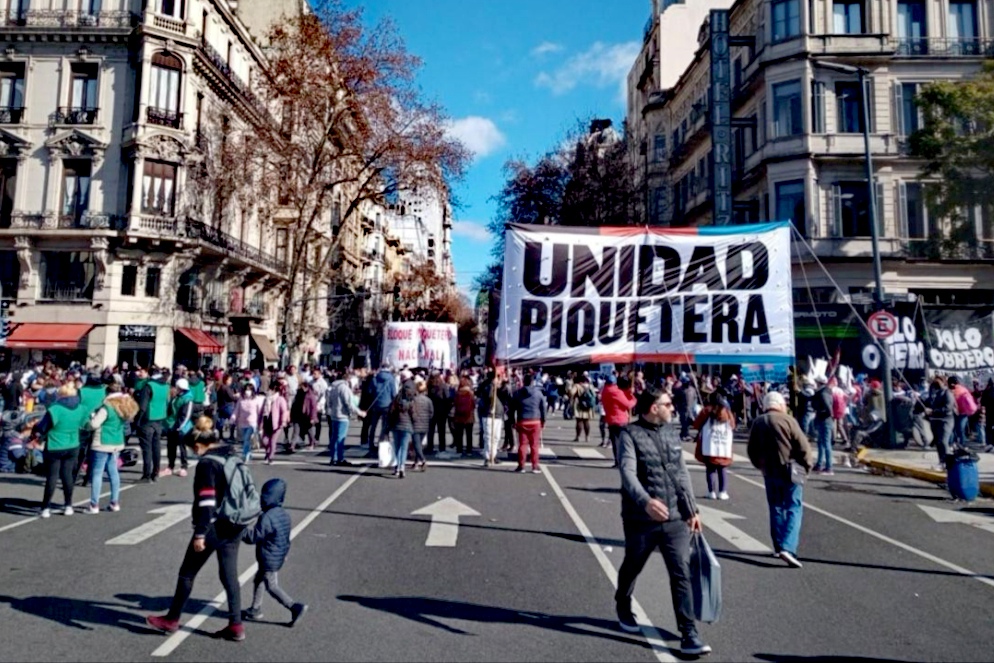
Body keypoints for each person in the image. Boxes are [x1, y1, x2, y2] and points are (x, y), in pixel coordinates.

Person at [615, 386, 709, 656]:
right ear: (653, 408)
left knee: (681, 572)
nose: (672, 408)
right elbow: (627, 472)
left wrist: (692, 509)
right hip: (641, 518)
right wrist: (645, 501)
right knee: (633, 564)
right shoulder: (629, 434)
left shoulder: (671, 432)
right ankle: (623, 601)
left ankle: (689, 632)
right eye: (667, 404)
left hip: (675, 517)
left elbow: (681, 473)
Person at [147, 418, 248, 641]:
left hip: (213, 525)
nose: (194, 453)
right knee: (229, 575)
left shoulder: (207, 464)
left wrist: (200, 532)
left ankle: (172, 619)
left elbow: (207, 501)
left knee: (187, 573)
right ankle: (236, 624)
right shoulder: (232, 456)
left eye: (193, 449)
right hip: (235, 522)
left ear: (198, 445)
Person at [747, 391, 812, 569]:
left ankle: (778, 546)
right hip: (791, 469)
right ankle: (788, 547)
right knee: (793, 507)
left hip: (769, 470)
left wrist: (760, 465)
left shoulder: (758, 422)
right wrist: (807, 467)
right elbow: (803, 446)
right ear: (781, 405)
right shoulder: (788, 420)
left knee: (775, 507)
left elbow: (752, 449)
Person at [241, 478, 307, 626]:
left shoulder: (267, 517)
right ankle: (255, 609)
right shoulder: (283, 514)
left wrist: (240, 531)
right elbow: (285, 537)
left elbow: (253, 537)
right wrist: (284, 554)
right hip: (278, 554)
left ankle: (294, 607)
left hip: (268, 558)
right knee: (259, 579)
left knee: (271, 586)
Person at [33, 384, 89, 518]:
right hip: (73, 444)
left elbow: (42, 427)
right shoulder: (82, 408)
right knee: (67, 475)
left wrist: (36, 427)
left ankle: (46, 507)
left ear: (61, 395)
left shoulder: (55, 409)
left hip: (55, 444)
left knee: (52, 476)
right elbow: (85, 424)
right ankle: (68, 505)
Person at [85, 383, 139, 513]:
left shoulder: (107, 407)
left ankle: (94, 504)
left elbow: (94, 424)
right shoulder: (124, 406)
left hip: (102, 442)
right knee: (113, 472)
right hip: (117, 442)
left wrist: (89, 421)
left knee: (97, 473)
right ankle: (114, 502)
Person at [693, 393, 736, 500]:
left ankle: (711, 492)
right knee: (722, 468)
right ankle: (722, 492)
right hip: (723, 444)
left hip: (709, 444)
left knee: (710, 468)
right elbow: (733, 425)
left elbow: (696, 424)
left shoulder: (706, 411)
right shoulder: (727, 412)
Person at [135, 368, 170, 483]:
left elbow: (142, 406)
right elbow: (167, 402)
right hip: (159, 418)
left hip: (147, 419)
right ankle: (155, 473)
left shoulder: (148, 386)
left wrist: (137, 420)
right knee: (156, 447)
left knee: (147, 448)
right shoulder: (166, 385)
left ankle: (146, 475)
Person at [511, 373, 546, 474]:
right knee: (534, 445)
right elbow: (543, 408)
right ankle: (535, 466)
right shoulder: (538, 393)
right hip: (535, 420)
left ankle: (521, 466)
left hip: (522, 420)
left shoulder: (518, 393)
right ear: (532, 382)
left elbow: (512, 408)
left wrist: (513, 421)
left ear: (523, 381)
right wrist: (543, 421)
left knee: (522, 444)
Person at [361, 365, 397, 458]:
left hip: (376, 404)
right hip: (387, 405)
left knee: (373, 426)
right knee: (384, 426)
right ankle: (382, 443)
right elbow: (394, 393)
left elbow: (369, 391)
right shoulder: (391, 379)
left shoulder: (375, 378)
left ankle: (371, 444)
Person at [326, 371, 360, 467]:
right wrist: (358, 412)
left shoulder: (332, 387)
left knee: (334, 437)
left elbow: (329, 402)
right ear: (347, 379)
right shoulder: (344, 388)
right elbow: (348, 403)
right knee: (340, 438)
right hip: (342, 416)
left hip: (334, 415)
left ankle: (334, 457)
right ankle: (339, 458)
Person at [162, 378, 194, 478]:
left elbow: (186, 415)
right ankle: (170, 466)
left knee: (182, 447)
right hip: (172, 425)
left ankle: (184, 466)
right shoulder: (176, 397)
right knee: (171, 447)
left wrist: (180, 427)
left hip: (182, 427)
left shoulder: (188, 399)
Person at [601, 375, 637, 464]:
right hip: (620, 419)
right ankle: (622, 460)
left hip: (611, 418)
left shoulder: (605, 390)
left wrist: (627, 392)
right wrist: (633, 398)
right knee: (623, 442)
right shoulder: (616, 392)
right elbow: (628, 404)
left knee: (615, 442)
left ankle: (617, 461)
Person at [477, 372, 509, 467]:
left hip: (498, 416)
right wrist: (492, 385)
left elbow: (505, 394)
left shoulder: (499, 388)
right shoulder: (486, 386)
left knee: (496, 437)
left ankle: (493, 455)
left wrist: (504, 383)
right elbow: (489, 396)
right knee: (488, 437)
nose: (499, 381)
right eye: (498, 378)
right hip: (489, 415)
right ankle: (487, 457)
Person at [925, 376, 957, 471]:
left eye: (938, 381)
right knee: (939, 443)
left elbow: (948, 408)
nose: (936, 383)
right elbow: (928, 402)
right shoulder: (934, 393)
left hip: (945, 420)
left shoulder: (947, 393)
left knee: (943, 442)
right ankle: (942, 462)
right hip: (935, 420)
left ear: (943, 382)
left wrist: (933, 411)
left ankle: (947, 463)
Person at [390, 380, 417, 479]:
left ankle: (397, 467)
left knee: (397, 447)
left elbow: (391, 412)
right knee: (404, 448)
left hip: (396, 425)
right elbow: (414, 416)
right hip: (407, 426)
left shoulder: (396, 400)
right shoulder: (411, 401)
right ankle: (402, 467)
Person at [232, 383, 264, 463]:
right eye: (246, 389)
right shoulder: (241, 399)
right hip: (242, 423)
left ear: (252, 391)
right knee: (246, 440)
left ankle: (245, 454)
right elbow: (236, 410)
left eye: (249, 390)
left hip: (252, 423)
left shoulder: (256, 399)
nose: (247, 391)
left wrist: (261, 423)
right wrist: (233, 417)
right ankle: (249, 453)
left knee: (247, 439)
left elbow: (260, 412)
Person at [261, 381, 289, 465]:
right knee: (265, 441)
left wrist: (283, 421)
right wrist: (259, 422)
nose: (269, 391)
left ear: (275, 390)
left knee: (273, 441)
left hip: (276, 423)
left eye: (270, 389)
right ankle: (267, 452)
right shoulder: (266, 399)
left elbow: (284, 411)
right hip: (266, 421)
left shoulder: (280, 399)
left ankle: (271, 457)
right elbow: (262, 411)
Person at [811, 376, 835, 475]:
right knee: (821, 443)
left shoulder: (823, 393)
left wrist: (824, 414)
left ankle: (829, 467)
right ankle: (819, 464)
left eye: (816, 382)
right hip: (824, 419)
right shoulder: (825, 392)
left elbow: (828, 407)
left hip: (824, 420)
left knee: (825, 443)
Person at [409, 380, 433, 472]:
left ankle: (422, 460)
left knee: (416, 444)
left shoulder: (413, 400)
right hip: (425, 424)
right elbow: (431, 413)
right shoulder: (428, 400)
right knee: (418, 444)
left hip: (415, 424)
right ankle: (416, 462)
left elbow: (410, 411)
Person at [427, 373, 452, 455]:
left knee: (431, 430)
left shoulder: (430, 386)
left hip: (432, 410)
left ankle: (430, 447)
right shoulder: (443, 386)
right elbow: (447, 398)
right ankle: (442, 447)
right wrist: (447, 410)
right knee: (441, 430)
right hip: (442, 411)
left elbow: (429, 398)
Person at [452, 377, 476, 456]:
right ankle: (469, 450)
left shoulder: (457, 393)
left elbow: (455, 403)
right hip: (469, 417)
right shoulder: (470, 393)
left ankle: (459, 449)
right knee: (469, 434)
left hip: (459, 416)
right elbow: (473, 405)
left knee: (459, 434)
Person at [571, 376, 597, 443]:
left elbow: (571, 393)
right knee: (586, 421)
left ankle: (578, 437)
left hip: (579, 405)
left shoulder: (577, 386)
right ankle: (587, 437)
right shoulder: (590, 386)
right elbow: (594, 395)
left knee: (579, 421)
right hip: (588, 405)